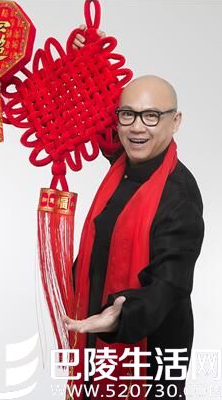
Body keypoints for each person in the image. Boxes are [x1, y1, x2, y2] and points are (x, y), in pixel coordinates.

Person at [63, 27, 205, 400]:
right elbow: (101, 112)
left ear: (175, 121)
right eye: (128, 115)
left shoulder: (178, 195)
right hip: (96, 335)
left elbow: (170, 284)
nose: (137, 127)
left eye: (152, 116)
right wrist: (89, 61)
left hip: (149, 351)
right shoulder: (124, 163)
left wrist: (120, 316)